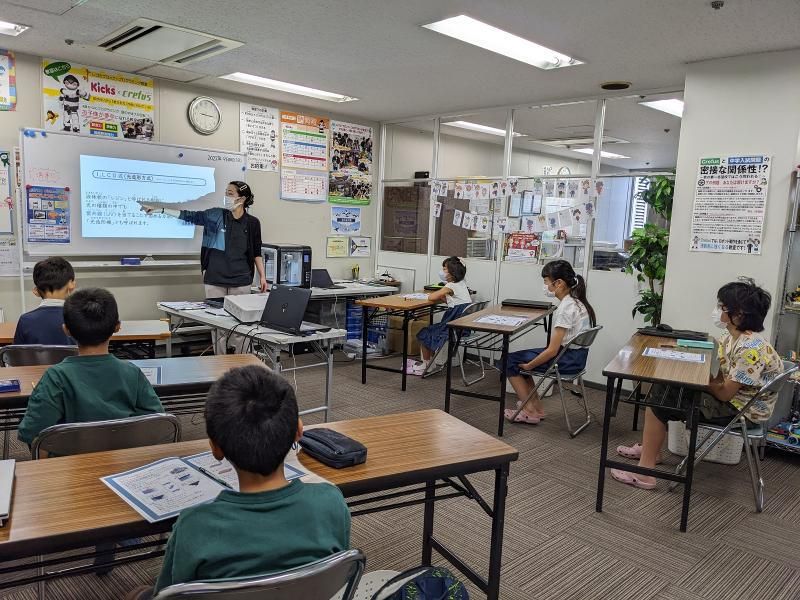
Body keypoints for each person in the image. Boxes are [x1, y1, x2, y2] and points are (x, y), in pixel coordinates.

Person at [144, 366, 349, 597]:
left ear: (215, 448)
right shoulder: (331, 502)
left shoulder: (194, 526)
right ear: (298, 431)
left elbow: (170, 594)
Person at [612, 279, 782, 489]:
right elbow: (719, 375)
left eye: (722, 306)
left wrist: (699, 380)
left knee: (660, 400)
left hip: (741, 411)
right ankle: (650, 452)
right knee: (662, 388)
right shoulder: (731, 337)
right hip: (735, 400)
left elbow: (725, 394)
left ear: (739, 315)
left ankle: (646, 473)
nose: (718, 310)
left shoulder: (751, 349)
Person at [17, 288, 163, 446]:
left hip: (71, 459)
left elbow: (32, 431)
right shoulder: (132, 372)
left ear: (66, 330)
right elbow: (158, 422)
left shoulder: (55, 377)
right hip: (124, 457)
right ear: (117, 327)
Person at [140, 181, 266, 354]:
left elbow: (256, 252)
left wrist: (262, 276)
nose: (226, 196)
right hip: (215, 278)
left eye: (230, 193)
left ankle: (242, 361)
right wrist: (160, 210)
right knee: (218, 326)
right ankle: (219, 361)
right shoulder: (216, 215)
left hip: (241, 279)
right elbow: (189, 215)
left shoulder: (252, 223)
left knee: (241, 327)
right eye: (226, 192)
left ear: (242, 199)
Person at [504, 260, 596, 424]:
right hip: (577, 358)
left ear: (558, 283)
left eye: (546, 281)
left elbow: (552, 351)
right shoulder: (578, 302)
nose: (545, 285)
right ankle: (536, 407)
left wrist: (530, 366)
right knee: (519, 359)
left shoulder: (566, 309)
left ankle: (529, 411)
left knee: (509, 360)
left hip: (565, 361)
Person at [406, 256, 471, 376]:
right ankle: (430, 363)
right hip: (463, 328)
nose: (442, 271)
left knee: (425, 333)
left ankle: (426, 365)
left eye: (445, 269)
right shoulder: (462, 283)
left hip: (452, 328)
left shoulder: (450, 286)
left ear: (452, 272)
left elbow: (431, 297)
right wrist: (444, 295)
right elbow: (453, 301)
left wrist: (442, 291)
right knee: (431, 331)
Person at [14, 257, 76, 345]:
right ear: (71, 284)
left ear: (36, 291)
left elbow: (17, 352)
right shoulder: (82, 318)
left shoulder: (25, 320)